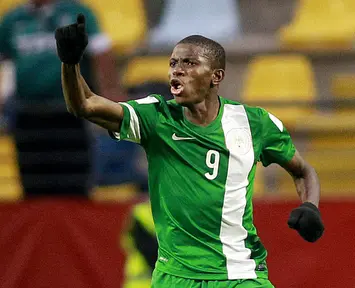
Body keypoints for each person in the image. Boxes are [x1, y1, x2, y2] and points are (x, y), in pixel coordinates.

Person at [55, 14, 325, 287]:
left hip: (239, 274)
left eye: (190, 63)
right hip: (176, 278)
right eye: (173, 63)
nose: (177, 70)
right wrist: (70, 63)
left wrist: (310, 206)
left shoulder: (255, 123)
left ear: (216, 76)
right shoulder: (156, 116)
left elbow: (302, 170)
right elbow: (85, 105)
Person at [0, 0, 123, 197]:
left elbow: (102, 55)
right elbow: (5, 62)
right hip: (28, 115)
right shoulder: (13, 19)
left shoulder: (77, 13)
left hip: (70, 113)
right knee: (33, 187)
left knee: (74, 185)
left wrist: (109, 97)